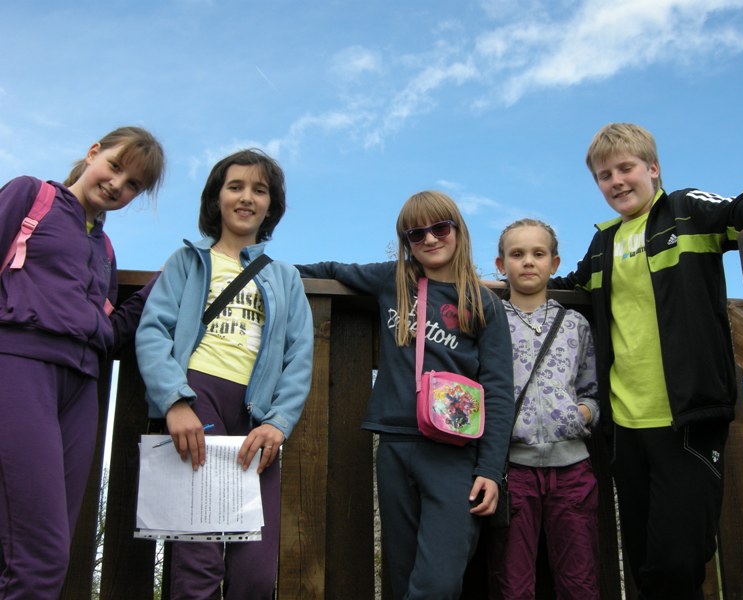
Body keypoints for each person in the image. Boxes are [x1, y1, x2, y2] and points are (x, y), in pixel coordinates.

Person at [549, 122, 743, 599]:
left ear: (653, 168)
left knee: (677, 561)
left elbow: (742, 211)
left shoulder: (686, 210)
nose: (616, 181)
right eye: (604, 175)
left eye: (625, 168)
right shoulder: (603, 244)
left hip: (688, 417)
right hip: (626, 424)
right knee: (644, 562)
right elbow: (566, 289)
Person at [296, 190, 515, 599]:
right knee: (400, 572)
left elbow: (500, 391)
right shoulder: (394, 280)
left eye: (440, 228)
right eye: (416, 234)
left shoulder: (483, 303)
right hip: (395, 445)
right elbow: (329, 270)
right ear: (406, 242)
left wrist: (490, 468)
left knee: (439, 580)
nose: (430, 239)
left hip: (455, 454)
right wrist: (256, 269)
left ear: (458, 231)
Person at [135, 148, 313, 600]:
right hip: (199, 400)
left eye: (259, 190)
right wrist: (175, 402)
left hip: (257, 419)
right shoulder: (187, 261)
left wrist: (278, 422)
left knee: (256, 571)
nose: (247, 197)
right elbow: (153, 332)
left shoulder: (285, 277)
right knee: (198, 557)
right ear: (217, 198)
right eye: (235, 187)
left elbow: (299, 355)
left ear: (271, 205)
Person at [0, 126, 165, 599]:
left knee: (46, 548)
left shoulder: (105, 250)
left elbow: (108, 334)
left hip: (82, 390)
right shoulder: (31, 196)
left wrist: (161, 287)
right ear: (93, 153)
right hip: (21, 367)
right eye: (115, 166)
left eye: (133, 185)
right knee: (40, 554)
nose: (117, 185)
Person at [488, 218, 600, 599]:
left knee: (579, 580)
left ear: (554, 263)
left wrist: (582, 414)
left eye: (538, 253)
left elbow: (591, 391)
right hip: (513, 471)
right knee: (513, 584)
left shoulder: (575, 325)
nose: (528, 262)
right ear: (501, 265)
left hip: (572, 471)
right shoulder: (491, 322)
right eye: (517, 254)